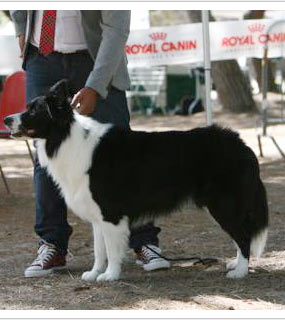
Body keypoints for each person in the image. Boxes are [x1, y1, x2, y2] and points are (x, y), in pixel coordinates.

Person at [10, 10, 170, 277]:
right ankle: (52, 244)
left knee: (122, 157)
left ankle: (143, 241)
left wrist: (96, 86)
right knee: (45, 157)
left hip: (94, 57)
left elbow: (116, 29)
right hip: (42, 57)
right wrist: (20, 30)